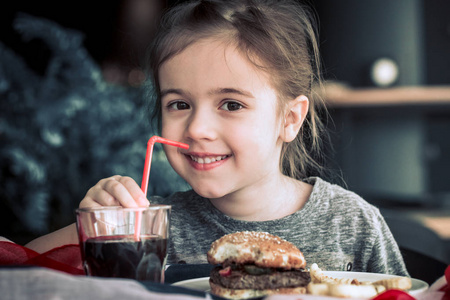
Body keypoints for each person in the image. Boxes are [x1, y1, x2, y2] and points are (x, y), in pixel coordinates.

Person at [26, 0, 409, 276]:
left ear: (289, 119)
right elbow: (15, 264)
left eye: (230, 104)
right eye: (178, 104)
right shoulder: (146, 228)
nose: (196, 129)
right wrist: (96, 230)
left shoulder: (352, 224)